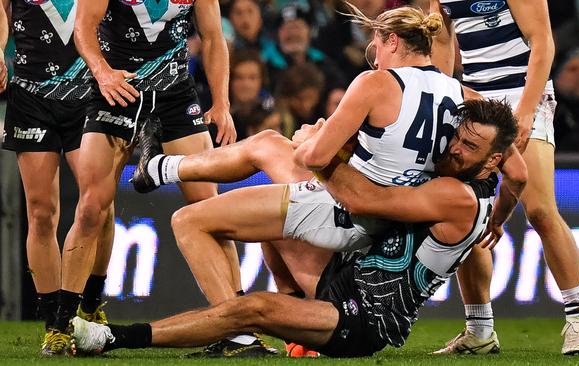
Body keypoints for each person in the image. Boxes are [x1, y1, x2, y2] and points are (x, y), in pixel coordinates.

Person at [70, 99, 525, 358]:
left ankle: (115, 338)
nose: (455, 148)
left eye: (470, 146)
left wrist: (318, 152)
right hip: (346, 265)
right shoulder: (479, 174)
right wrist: (501, 220)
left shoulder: (458, 196)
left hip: (362, 317)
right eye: (460, 135)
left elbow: (369, 200)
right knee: (270, 169)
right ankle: (163, 169)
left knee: (251, 308)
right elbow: (519, 175)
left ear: (493, 160)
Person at [48, 0, 274, 357]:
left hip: (174, 96)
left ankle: (239, 332)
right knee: (91, 208)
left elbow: (214, 37)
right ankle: (60, 327)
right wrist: (103, 72)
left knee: (211, 210)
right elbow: (84, 27)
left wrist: (222, 103)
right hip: (116, 92)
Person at [438, 0, 579, 355]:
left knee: (540, 211)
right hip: (474, 101)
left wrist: (525, 111)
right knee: (464, 213)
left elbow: (542, 40)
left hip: (522, 92)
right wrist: (439, 95)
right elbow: (443, 40)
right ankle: (479, 331)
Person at [0, 0, 116, 355]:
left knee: (99, 206)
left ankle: (90, 305)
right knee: (40, 211)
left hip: (90, 93)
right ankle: (55, 325)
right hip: (31, 94)